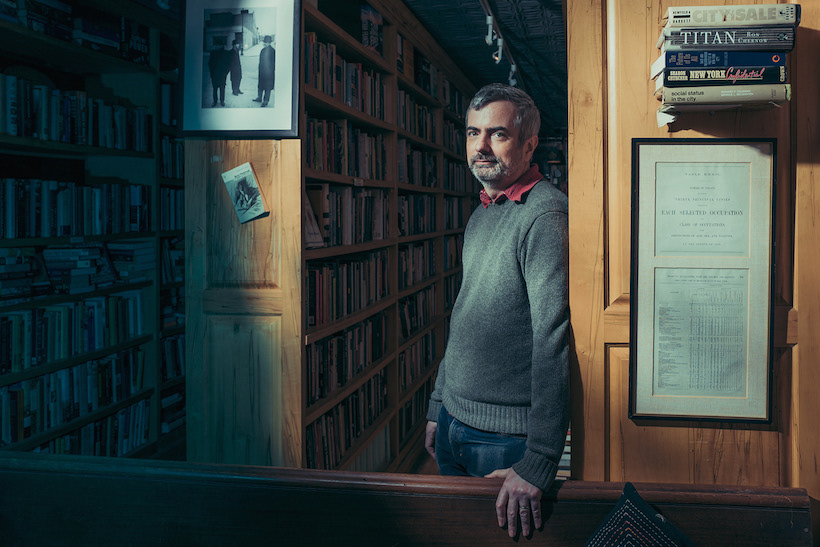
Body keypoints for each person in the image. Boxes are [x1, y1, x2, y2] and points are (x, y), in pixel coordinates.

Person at [424, 83, 569, 539]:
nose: (480, 147)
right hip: (454, 422)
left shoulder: (545, 216)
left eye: (497, 134)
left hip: (504, 441)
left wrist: (540, 459)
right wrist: (438, 403)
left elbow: (554, 338)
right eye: (473, 133)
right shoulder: (484, 209)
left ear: (529, 145)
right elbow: (464, 313)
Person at [252, 35, 276, 107]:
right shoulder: (263, 50)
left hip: (269, 73)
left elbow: (274, 62)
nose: (265, 43)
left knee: (267, 87)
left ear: (269, 43)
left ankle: (266, 100)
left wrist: (271, 70)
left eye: (267, 42)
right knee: (260, 86)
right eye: (265, 42)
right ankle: (259, 98)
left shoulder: (273, 51)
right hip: (262, 72)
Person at [207, 37, 230, 107]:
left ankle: (222, 101)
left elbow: (228, 64)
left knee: (222, 88)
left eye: (218, 45)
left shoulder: (225, 53)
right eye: (215, 45)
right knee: (215, 88)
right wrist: (211, 73)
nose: (216, 46)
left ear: (221, 45)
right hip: (214, 74)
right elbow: (210, 64)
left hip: (222, 75)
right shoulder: (213, 53)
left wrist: (226, 73)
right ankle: (215, 101)